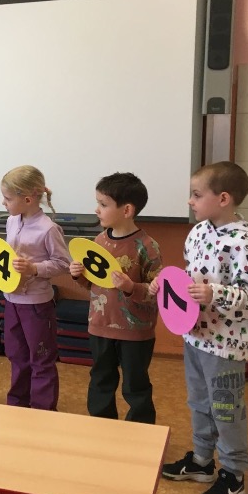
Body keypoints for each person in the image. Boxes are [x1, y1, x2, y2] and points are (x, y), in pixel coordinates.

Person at [151, 162, 248, 494]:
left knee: (226, 408)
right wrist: (166, 284)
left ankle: (234, 474)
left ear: (223, 198)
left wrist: (215, 294)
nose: (190, 201)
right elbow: (190, 278)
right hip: (195, 336)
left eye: (196, 194)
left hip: (226, 344)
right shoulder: (198, 233)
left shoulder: (246, 241)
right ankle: (202, 461)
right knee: (199, 401)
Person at [69, 172, 161, 423]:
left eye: (103, 204)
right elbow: (94, 284)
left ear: (127, 210)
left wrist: (132, 287)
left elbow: (157, 292)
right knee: (101, 379)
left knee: (135, 384)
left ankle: (141, 430)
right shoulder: (99, 241)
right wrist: (79, 275)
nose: (97, 209)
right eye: (98, 203)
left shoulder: (147, 246)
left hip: (135, 331)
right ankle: (102, 427)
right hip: (100, 326)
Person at [0, 166, 70, 410]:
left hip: (36, 305)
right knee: (16, 355)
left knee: (41, 358)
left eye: (8, 198)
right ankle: (17, 405)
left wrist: (34, 268)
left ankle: (42, 410)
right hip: (12, 301)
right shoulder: (12, 221)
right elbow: (7, 258)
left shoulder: (48, 228)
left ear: (28, 199)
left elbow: (63, 264)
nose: (3, 203)